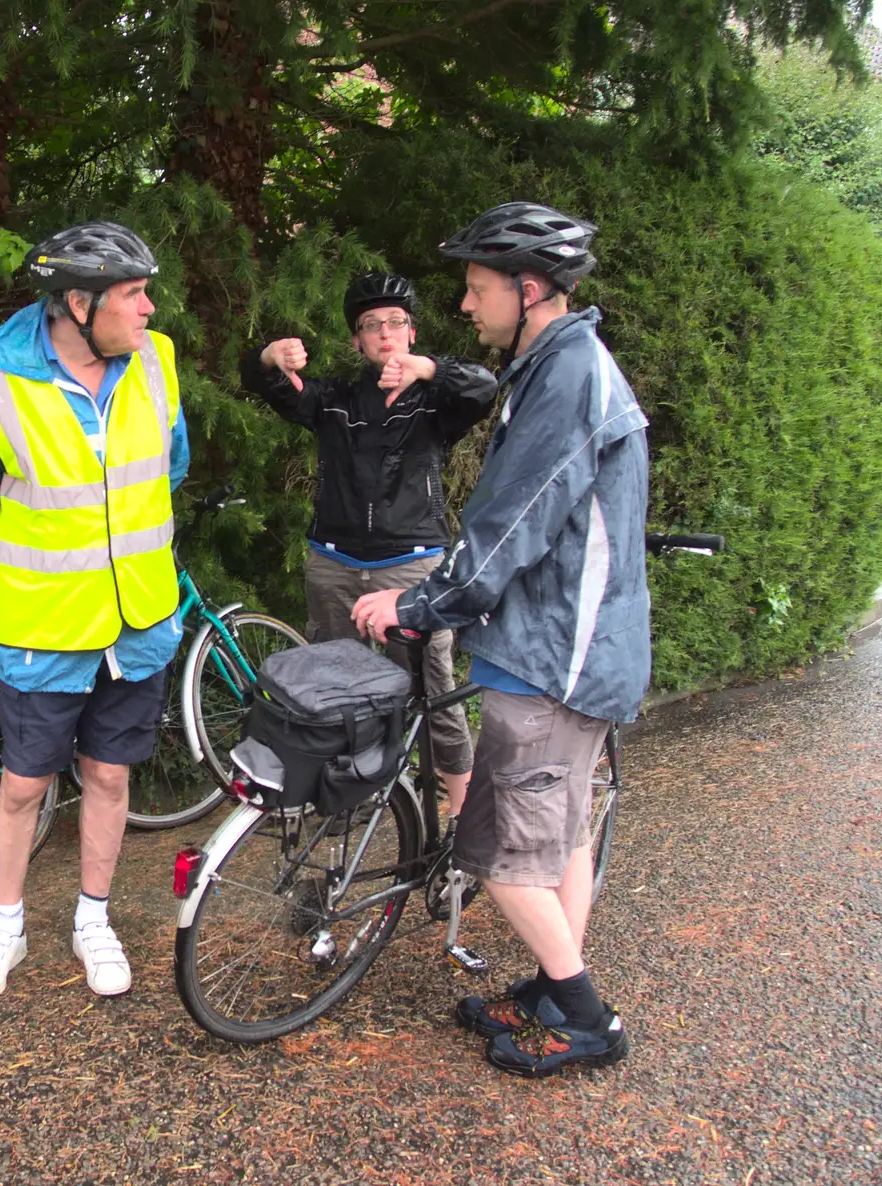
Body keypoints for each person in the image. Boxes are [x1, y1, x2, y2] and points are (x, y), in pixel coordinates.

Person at [352, 203, 650, 1077]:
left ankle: (587, 1016)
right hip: (582, 645)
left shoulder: (565, 378)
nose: (466, 306)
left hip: (555, 654)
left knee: (503, 849)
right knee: (558, 832)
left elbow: (511, 519)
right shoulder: (561, 364)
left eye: (478, 289)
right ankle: (555, 988)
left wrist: (418, 606)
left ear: (529, 290)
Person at [0, 222, 189, 1004]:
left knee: (109, 774)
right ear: (79, 304)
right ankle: (6, 927)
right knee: (23, 785)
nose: (150, 309)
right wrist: (48, 565)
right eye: (134, 294)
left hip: (138, 619)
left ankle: (94, 919)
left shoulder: (155, 361)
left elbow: (169, 464)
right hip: (47, 624)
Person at [239, 272, 497, 810]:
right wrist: (269, 357)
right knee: (335, 696)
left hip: (412, 568)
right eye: (371, 325)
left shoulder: (436, 401)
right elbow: (263, 384)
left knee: (434, 690)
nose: (385, 333)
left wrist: (428, 370)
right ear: (356, 341)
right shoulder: (334, 400)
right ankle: (346, 809)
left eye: (396, 323)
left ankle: (461, 811)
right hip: (334, 565)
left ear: (412, 333)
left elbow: (484, 386)